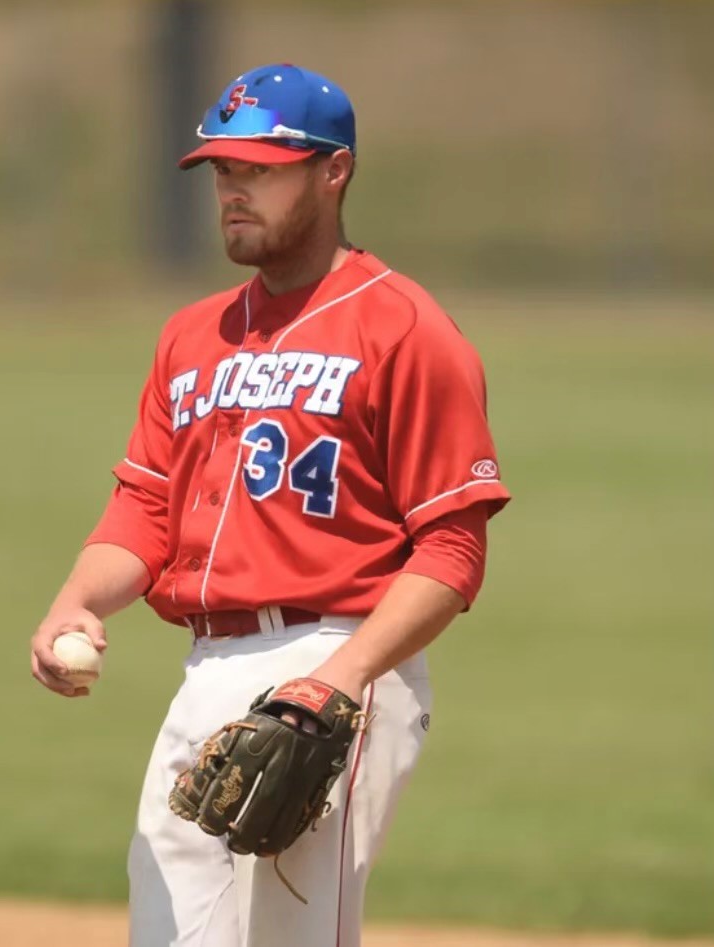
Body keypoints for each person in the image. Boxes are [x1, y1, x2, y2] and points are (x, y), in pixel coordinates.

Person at [30, 63, 510, 947]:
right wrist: (79, 599)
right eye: (222, 169)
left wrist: (340, 680)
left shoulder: (404, 328)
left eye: (259, 167)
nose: (233, 189)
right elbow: (144, 508)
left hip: (336, 661)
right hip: (206, 669)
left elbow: (450, 549)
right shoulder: (192, 334)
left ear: (334, 171)